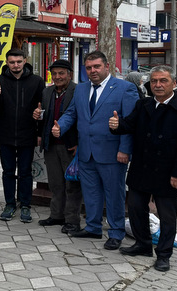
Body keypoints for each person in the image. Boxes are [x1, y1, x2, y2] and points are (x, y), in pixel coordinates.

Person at [109, 65, 177, 272]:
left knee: (167, 216)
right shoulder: (144, 104)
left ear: (174, 84)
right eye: (154, 81)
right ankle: (142, 244)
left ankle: (164, 254)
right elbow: (128, 125)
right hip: (142, 168)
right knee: (135, 208)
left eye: (163, 81)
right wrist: (117, 125)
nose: (158, 85)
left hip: (168, 172)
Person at [54, 50, 139, 250]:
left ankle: (116, 232)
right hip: (86, 152)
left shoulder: (125, 88)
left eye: (97, 66)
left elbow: (131, 122)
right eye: (89, 67)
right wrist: (60, 126)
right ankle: (93, 227)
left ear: (107, 66)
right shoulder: (81, 89)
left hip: (112, 153)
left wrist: (125, 150)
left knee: (114, 195)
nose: (92, 71)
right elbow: (72, 113)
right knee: (91, 192)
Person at [0, 49, 45, 223]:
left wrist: (40, 132)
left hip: (28, 133)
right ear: (7, 62)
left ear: (25, 61)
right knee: (8, 172)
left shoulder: (36, 81)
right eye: (12, 62)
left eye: (19, 61)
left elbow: (42, 108)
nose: (15, 65)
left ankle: (25, 204)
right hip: (5, 134)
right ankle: (9, 204)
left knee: (25, 172)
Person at [34, 59, 83, 234]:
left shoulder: (79, 91)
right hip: (51, 145)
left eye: (61, 73)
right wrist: (38, 116)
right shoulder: (47, 92)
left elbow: (82, 119)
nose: (57, 77)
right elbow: (45, 116)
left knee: (72, 185)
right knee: (55, 183)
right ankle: (56, 215)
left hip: (70, 146)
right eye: (54, 74)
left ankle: (72, 220)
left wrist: (79, 143)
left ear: (70, 75)